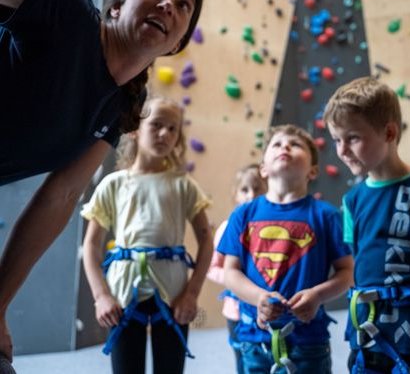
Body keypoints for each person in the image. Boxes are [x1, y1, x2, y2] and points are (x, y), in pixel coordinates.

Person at [0, 0, 204, 364]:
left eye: (183, 6)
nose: (169, 5)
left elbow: (61, 197)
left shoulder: (116, 108)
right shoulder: (68, 15)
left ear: (178, 43)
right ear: (118, 4)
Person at [81, 96, 213, 374]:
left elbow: (206, 241)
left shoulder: (184, 186)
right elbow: (91, 246)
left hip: (174, 293)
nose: (164, 133)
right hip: (121, 294)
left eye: (172, 128)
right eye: (156, 125)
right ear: (135, 129)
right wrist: (101, 296)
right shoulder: (113, 184)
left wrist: (192, 293)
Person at [218, 124, 354, 373]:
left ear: (312, 171)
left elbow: (347, 271)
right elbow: (230, 272)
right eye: (277, 144)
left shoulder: (326, 215)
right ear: (263, 169)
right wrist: (258, 297)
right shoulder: (243, 214)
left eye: (296, 145)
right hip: (255, 340)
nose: (286, 147)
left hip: (308, 341)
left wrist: (318, 295)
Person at [323, 76, 410, 374]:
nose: (342, 150)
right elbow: (358, 260)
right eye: (336, 139)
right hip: (368, 326)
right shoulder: (352, 200)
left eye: (353, 138)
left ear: (389, 132)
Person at [206, 164, 268, 374]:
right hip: (235, 310)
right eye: (245, 189)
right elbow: (212, 267)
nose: (251, 195)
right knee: (243, 359)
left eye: (258, 188)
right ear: (236, 194)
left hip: (266, 308)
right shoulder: (227, 228)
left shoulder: (272, 227)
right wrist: (238, 280)